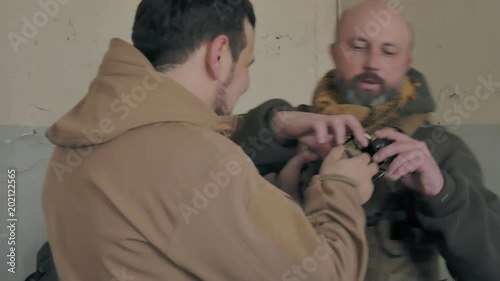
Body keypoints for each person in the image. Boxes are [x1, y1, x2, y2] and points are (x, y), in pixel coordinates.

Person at [41, 1, 381, 281]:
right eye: (247, 64)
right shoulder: (197, 160)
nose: (246, 81)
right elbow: (329, 273)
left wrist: (274, 126)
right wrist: (341, 190)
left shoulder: (76, 143)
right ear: (218, 54)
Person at [231, 1, 500, 281]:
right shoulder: (293, 134)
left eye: (388, 51)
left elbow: (491, 269)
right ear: (334, 53)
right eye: (358, 46)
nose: (372, 62)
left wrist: (443, 194)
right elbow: (212, 185)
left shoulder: (439, 148)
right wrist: (274, 125)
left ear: (406, 64)